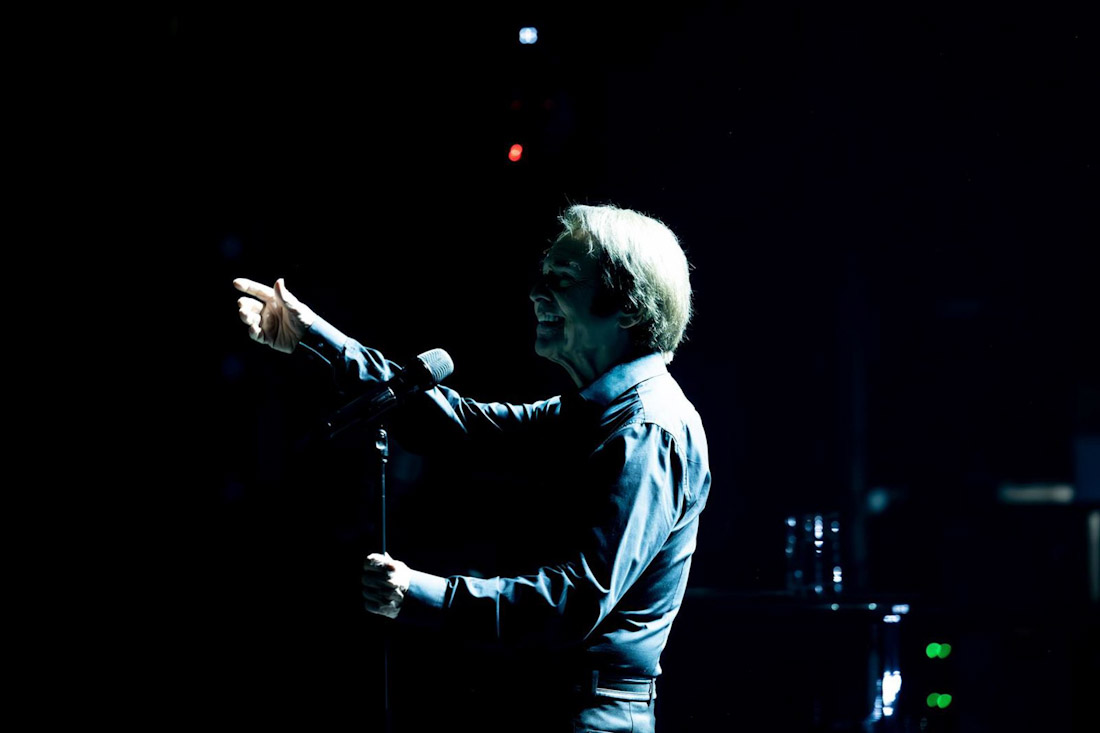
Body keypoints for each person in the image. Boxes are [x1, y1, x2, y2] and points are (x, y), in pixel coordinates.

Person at [234, 204, 710, 732]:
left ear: (628, 305)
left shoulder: (647, 431)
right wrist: (313, 337)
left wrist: (419, 592)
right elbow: (457, 424)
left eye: (562, 280)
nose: (536, 294)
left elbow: (575, 601)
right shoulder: (591, 413)